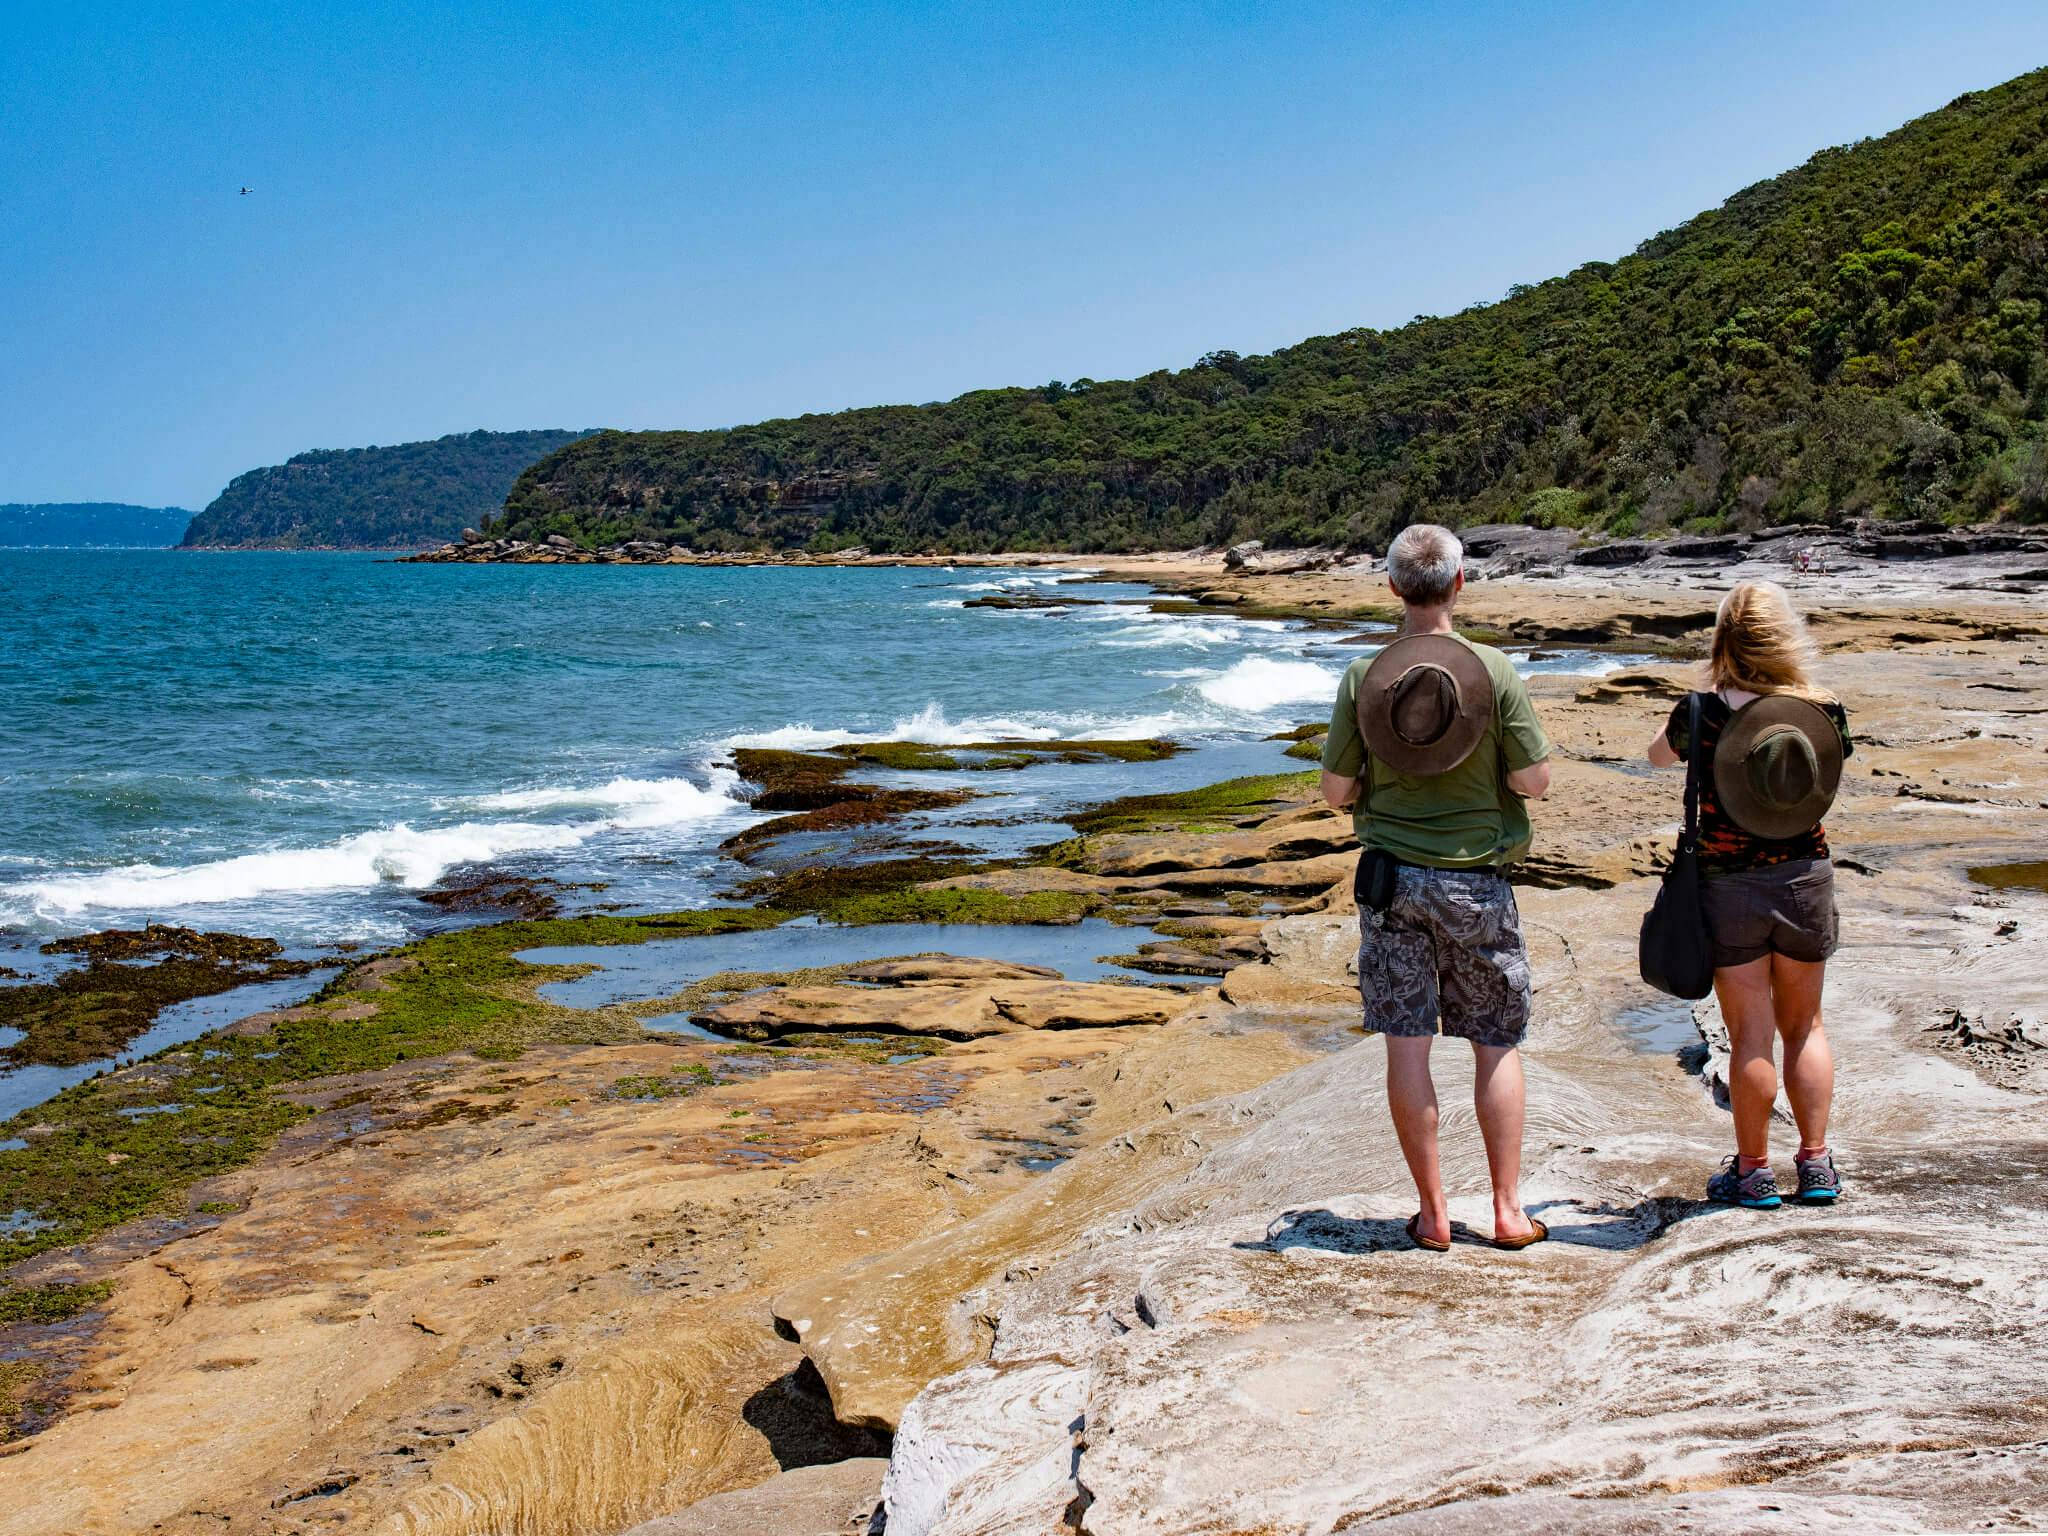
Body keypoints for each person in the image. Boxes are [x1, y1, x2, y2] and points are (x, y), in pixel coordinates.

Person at [1320, 524, 1553, 1252]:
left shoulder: (1367, 677)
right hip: (1478, 883)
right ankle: (1509, 1211)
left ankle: (1432, 1214)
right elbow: (1535, 781)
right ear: (1459, 583)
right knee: (1494, 1045)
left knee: (1408, 1048)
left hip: (1393, 885)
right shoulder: (1493, 671)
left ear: (1393, 587)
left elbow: (1334, 790)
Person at [1646, 580, 1851, 1208]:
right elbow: (1835, 759)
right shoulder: (1821, 709)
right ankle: (1815, 1165)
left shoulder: (1702, 711)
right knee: (1807, 1027)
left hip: (1729, 886)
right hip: (1803, 877)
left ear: (1724, 639)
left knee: (1752, 1036)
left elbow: (1658, 758)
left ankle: (1754, 1171)